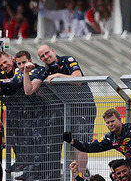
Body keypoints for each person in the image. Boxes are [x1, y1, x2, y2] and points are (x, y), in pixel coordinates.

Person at [38, 44, 96, 173]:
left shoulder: (68, 60)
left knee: (80, 144)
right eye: (42, 56)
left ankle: (81, 178)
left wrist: (59, 76)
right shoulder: (46, 70)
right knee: (71, 144)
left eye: (47, 53)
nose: (46, 57)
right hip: (68, 110)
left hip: (84, 106)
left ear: (53, 51)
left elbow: (78, 79)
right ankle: (74, 178)